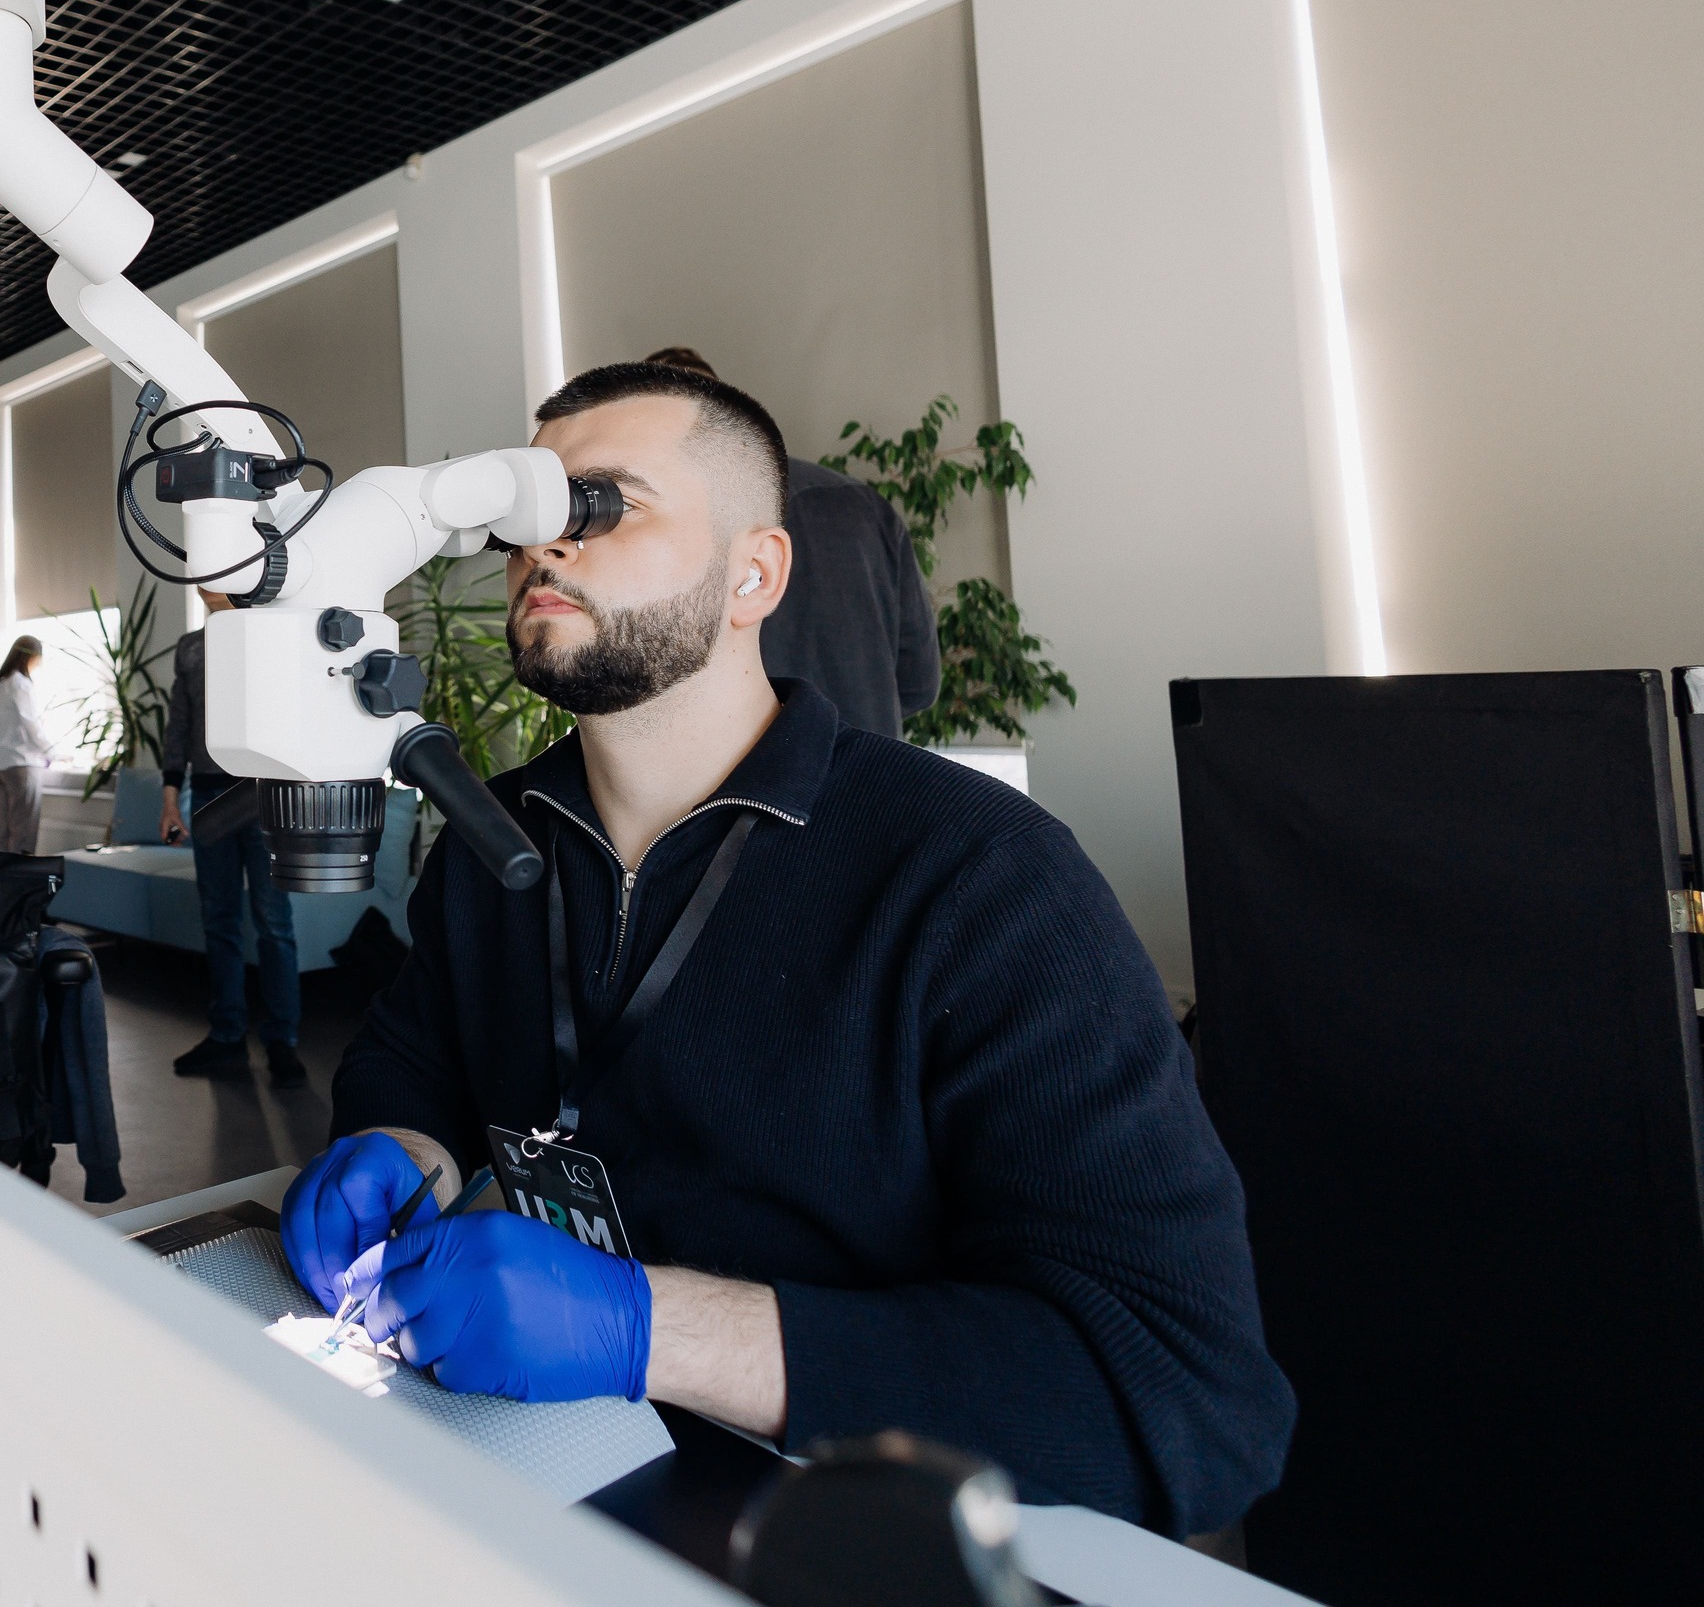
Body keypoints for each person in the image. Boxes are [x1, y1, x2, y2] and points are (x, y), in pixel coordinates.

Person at [281, 359, 1291, 1538]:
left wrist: (650, 1329)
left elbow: (1193, 1394)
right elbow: (411, 1061)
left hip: (852, 1524)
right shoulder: (490, 840)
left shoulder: (978, 876)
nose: (544, 544)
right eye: (526, 512)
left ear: (755, 572)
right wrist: (400, 1143)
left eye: (599, 505)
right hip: (536, 1486)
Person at [645, 347, 938, 740]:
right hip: (873, 763)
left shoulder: (662, 524)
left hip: (746, 770)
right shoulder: (865, 506)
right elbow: (920, 684)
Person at [157, 590, 305, 1092]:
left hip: (265, 795)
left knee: (273, 922)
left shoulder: (274, 639)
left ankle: (282, 1040)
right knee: (218, 919)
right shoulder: (190, 649)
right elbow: (178, 726)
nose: (207, 584)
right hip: (207, 795)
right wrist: (170, 799)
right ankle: (226, 1036)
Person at [0, 636, 53, 854]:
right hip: (21, 765)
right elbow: (32, 725)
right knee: (22, 834)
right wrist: (52, 752)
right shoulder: (20, 685)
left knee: (1, 834)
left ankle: (1, 875)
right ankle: (21, 874)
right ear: (31, 658)